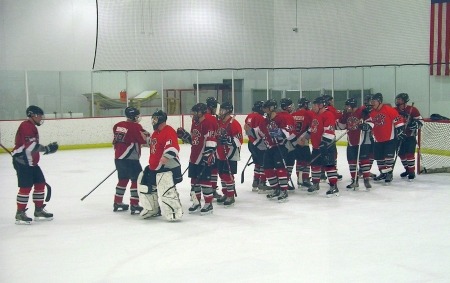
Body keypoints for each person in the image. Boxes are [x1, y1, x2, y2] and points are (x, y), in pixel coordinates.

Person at [12, 105, 58, 224]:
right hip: (22, 161)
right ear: (33, 115)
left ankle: (38, 210)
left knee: (40, 183)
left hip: (31, 162)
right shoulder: (26, 126)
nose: (41, 117)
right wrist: (47, 148)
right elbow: (31, 146)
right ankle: (20, 213)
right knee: (26, 187)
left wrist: (46, 149)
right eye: (40, 115)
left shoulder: (32, 126)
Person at [138, 110, 183, 221]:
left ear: (161, 119)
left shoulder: (169, 130)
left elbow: (173, 147)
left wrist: (165, 157)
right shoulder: (156, 132)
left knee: (167, 190)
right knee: (147, 185)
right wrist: (146, 140)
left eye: (155, 119)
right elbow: (155, 145)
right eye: (153, 119)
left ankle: (174, 211)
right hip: (155, 166)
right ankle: (152, 209)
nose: (153, 121)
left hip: (168, 167)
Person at [178, 103, 217, 215]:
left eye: (196, 112)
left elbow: (212, 139)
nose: (193, 114)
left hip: (204, 156)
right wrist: (185, 136)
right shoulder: (195, 122)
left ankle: (208, 204)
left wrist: (208, 154)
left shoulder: (208, 122)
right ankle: (196, 202)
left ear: (201, 112)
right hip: (194, 156)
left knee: (205, 181)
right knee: (194, 181)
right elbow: (194, 140)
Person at [112, 107, 149, 214]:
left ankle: (117, 202)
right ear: (133, 117)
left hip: (118, 158)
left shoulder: (118, 125)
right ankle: (134, 204)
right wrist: (146, 135)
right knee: (136, 180)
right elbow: (142, 140)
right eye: (137, 116)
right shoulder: (135, 126)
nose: (138, 118)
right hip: (130, 158)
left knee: (123, 179)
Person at [301, 96, 339, 197]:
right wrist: (306, 136)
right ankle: (316, 184)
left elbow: (329, 132)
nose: (312, 107)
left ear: (321, 105)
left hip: (327, 147)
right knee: (315, 166)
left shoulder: (328, 115)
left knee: (329, 166)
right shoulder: (315, 115)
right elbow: (313, 127)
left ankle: (334, 186)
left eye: (314, 105)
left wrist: (323, 145)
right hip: (316, 146)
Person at [259, 99, 296, 202]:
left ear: (272, 108)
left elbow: (289, 132)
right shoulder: (265, 121)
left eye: (266, 108)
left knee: (280, 168)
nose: (265, 110)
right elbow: (262, 133)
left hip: (281, 146)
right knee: (267, 168)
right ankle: (276, 189)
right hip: (270, 147)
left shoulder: (281, 118)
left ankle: (284, 190)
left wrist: (279, 133)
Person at [363, 93, 405, 184]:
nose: (372, 103)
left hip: (389, 139)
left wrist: (400, 131)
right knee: (379, 158)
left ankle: (389, 174)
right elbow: (368, 123)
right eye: (371, 101)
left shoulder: (389, 110)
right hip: (377, 139)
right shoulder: (371, 112)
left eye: (374, 101)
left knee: (388, 159)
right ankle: (383, 173)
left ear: (380, 101)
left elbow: (398, 121)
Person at [337, 98, 372, 190]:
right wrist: (343, 116)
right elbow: (341, 126)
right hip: (351, 142)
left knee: (364, 161)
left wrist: (366, 126)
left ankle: (366, 179)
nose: (346, 108)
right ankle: (354, 181)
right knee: (352, 162)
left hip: (362, 141)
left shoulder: (363, 111)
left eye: (348, 106)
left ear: (352, 106)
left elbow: (371, 123)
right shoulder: (347, 114)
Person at [215, 102, 243, 206]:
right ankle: (226, 193)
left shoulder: (234, 123)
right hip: (220, 153)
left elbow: (239, 140)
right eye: (220, 110)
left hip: (230, 154)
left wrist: (228, 140)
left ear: (228, 112)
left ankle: (230, 195)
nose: (220, 113)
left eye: (222, 110)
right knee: (221, 175)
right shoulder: (219, 122)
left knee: (228, 175)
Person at [394, 93, 423, 181]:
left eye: (400, 99)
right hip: (398, 136)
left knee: (409, 154)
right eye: (397, 99)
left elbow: (421, 121)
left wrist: (415, 124)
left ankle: (411, 172)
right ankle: (407, 169)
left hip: (410, 136)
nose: (398, 101)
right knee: (401, 154)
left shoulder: (412, 110)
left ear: (404, 101)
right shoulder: (394, 110)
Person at [244, 101, 269, 192]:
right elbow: (261, 131)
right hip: (260, 143)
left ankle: (256, 181)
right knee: (264, 163)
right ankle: (262, 182)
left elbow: (247, 130)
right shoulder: (260, 117)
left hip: (251, 143)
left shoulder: (249, 116)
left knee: (257, 163)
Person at [291, 97, 314, 189]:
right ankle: (304, 179)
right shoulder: (309, 113)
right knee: (306, 161)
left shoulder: (293, 114)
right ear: (305, 104)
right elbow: (313, 126)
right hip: (303, 141)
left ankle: (299, 179)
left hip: (294, 141)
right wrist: (304, 137)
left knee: (299, 161)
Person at [205, 96, 221, 199]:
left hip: (200, 148)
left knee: (201, 169)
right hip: (210, 148)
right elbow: (216, 134)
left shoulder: (200, 116)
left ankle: (195, 189)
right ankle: (212, 189)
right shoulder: (212, 118)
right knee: (213, 169)